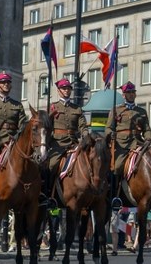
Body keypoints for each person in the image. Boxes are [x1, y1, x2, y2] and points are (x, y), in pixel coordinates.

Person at [44, 78, 90, 208]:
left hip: (73, 143)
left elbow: (83, 126)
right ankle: (47, 195)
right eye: (64, 89)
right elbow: (47, 127)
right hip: (57, 144)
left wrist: (85, 134)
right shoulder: (52, 107)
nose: (66, 91)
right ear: (58, 91)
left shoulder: (77, 108)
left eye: (68, 89)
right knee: (51, 165)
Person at [108, 81, 150, 204]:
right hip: (122, 145)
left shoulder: (141, 111)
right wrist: (111, 134)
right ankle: (114, 195)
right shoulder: (116, 110)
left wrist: (148, 138)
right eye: (128, 92)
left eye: (133, 92)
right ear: (123, 95)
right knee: (117, 167)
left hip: (138, 143)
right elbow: (108, 128)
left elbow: (146, 129)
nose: (131, 95)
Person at [0, 71, 26, 145]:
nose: (6, 84)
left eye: (8, 82)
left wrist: (16, 137)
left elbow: (22, 125)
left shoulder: (18, 105)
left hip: (13, 140)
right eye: (3, 82)